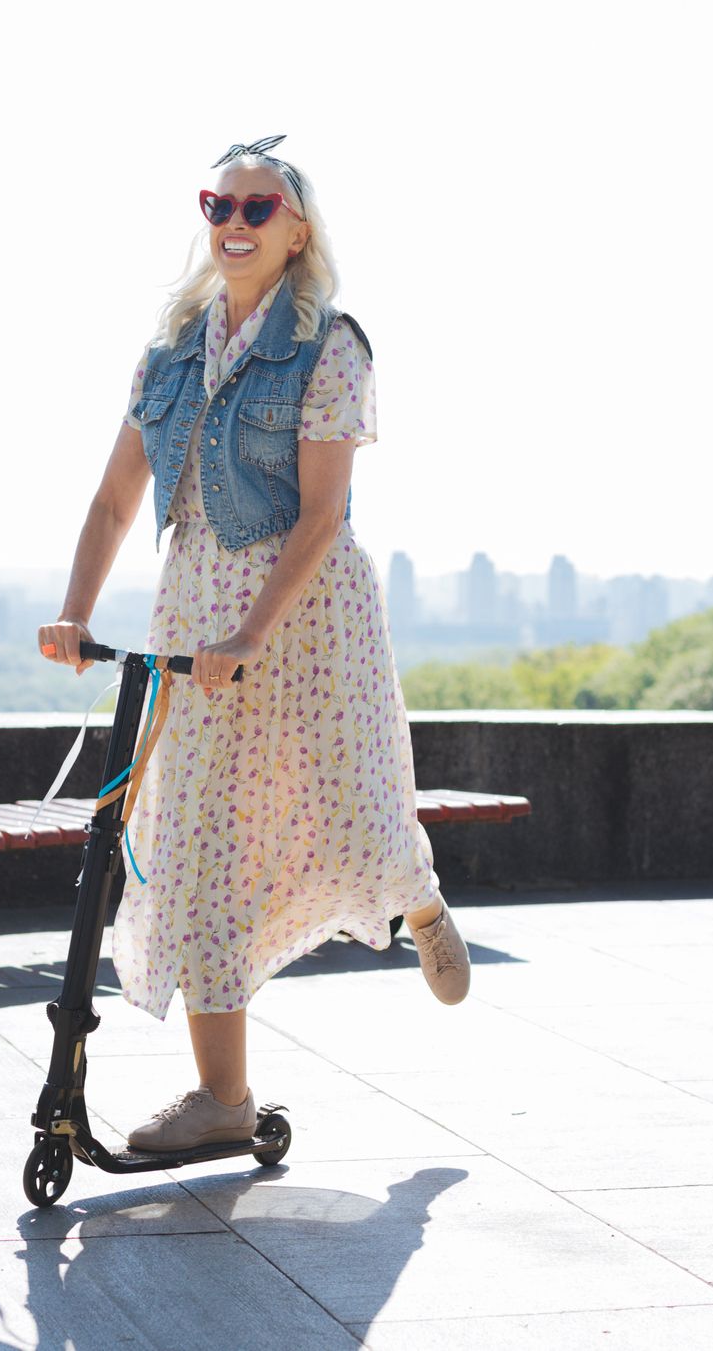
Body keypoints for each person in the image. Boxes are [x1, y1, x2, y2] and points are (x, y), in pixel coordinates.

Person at [36, 135, 466, 1154]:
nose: (233, 222)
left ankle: (418, 898)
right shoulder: (172, 353)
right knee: (195, 846)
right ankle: (223, 1099)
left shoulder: (330, 348)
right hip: (196, 618)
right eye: (218, 205)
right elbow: (112, 498)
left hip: (306, 617)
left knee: (354, 804)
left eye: (257, 208)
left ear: (297, 229)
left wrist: (250, 631)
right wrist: (73, 610)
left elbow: (321, 518)